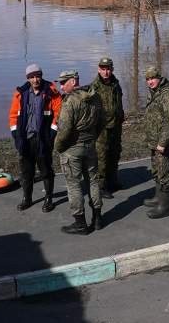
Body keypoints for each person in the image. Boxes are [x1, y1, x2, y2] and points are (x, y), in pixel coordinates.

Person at [53, 69, 105, 235]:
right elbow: (102, 121)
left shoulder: (70, 102)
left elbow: (64, 130)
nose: (61, 87)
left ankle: (80, 223)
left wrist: (58, 147)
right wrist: (91, 137)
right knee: (93, 181)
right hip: (90, 146)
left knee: (74, 185)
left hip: (72, 150)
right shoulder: (95, 97)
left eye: (63, 82)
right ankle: (97, 219)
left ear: (73, 81)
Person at [8, 64, 61, 213]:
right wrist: (15, 133)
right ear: (28, 79)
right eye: (32, 77)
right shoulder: (21, 93)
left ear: (41, 76)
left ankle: (49, 199)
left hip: (43, 139)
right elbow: (13, 115)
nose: (35, 79)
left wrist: (52, 132)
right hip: (25, 139)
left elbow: (59, 113)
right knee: (26, 172)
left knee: (46, 170)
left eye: (37, 76)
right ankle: (27, 198)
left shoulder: (51, 92)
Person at [142, 66, 169, 219]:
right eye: (148, 79)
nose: (150, 82)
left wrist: (162, 143)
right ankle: (158, 197)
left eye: (153, 78)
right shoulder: (154, 93)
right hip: (154, 141)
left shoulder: (167, 95)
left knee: (165, 173)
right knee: (157, 170)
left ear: (159, 78)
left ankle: (165, 206)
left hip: (163, 142)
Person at [91, 56, 124, 199]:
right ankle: (101, 186)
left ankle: (113, 181)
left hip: (115, 126)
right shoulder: (95, 87)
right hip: (102, 129)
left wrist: (121, 116)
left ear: (112, 69)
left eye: (108, 69)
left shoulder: (116, 84)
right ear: (99, 69)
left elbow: (119, 102)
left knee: (115, 154)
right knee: (102, 157)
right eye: (103, 69)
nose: (106, 72)